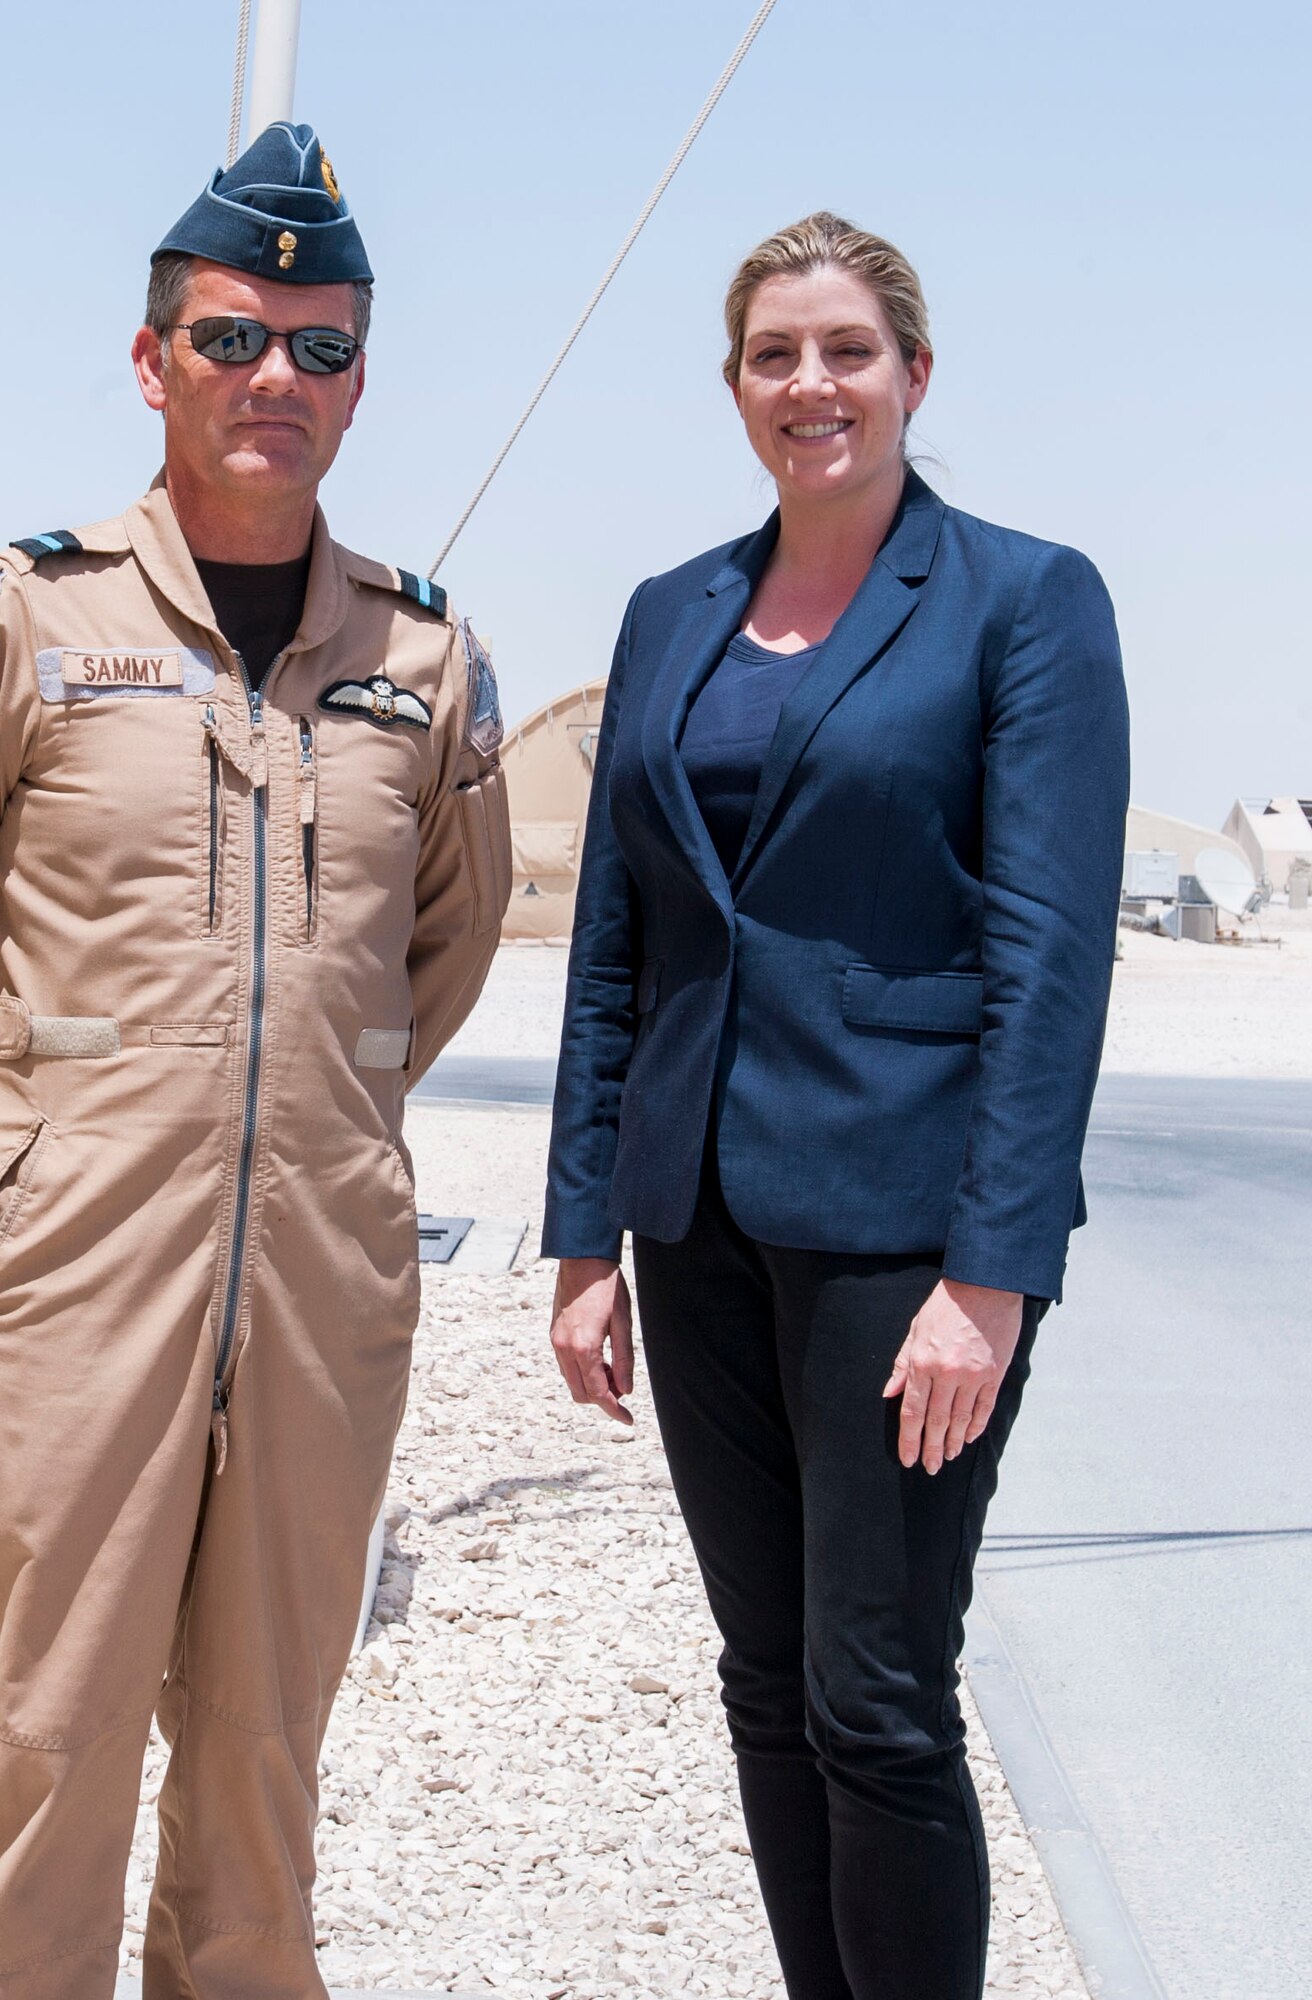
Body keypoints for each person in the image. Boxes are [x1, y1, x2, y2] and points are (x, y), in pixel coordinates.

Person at [0, 121, 511, 2000]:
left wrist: (294, 1118)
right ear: (152, 363)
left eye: (319, 346)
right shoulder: (21, 622)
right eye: (231, 338)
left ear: (363, 380)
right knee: (41, 1734)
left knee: (266, 1751)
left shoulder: (425, 663)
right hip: (71, 1276)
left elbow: (425, 962)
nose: (273, 378)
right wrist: (55, 1132)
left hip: (318, 1278)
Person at [542, 212, 1128, 2000]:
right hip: (697, 1215)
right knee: (764, 1683)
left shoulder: (1026, 601)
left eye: (847, 351)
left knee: (876, 1693)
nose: (813, 384)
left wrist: (992, 1271)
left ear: (914, 376)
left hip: (903, 1234)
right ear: (736, 390)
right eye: (775, 356)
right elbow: (613, 937)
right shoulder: (674, 613)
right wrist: (582, 1234)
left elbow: (1049, 958)